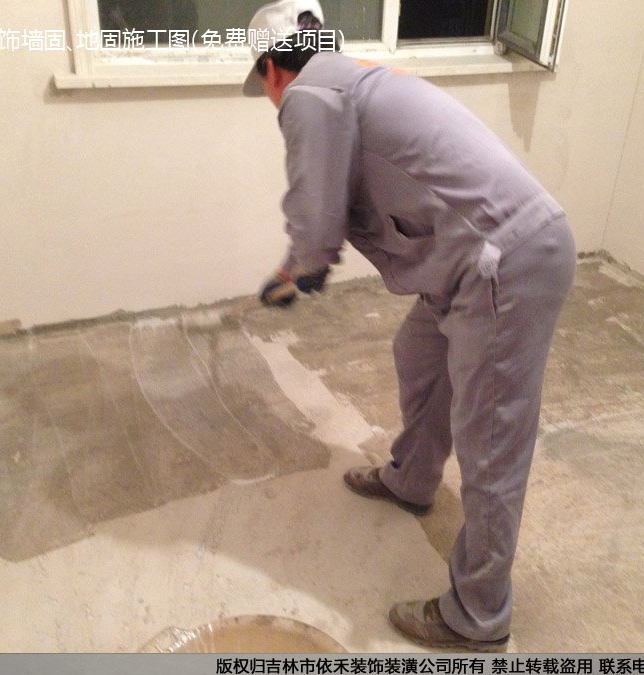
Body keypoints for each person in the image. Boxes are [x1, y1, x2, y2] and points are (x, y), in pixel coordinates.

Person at [245, 0, 576, 652]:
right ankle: (413, 479)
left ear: (271, 70)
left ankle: (477, 615)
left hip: (500, 264)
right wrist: (305, 260)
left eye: (265, 84)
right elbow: (338, 196)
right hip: (473, 260)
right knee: (420, 353)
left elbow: (317, 212)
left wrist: (299, 267)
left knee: (491, 442)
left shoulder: (310, 95)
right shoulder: (351, 78)